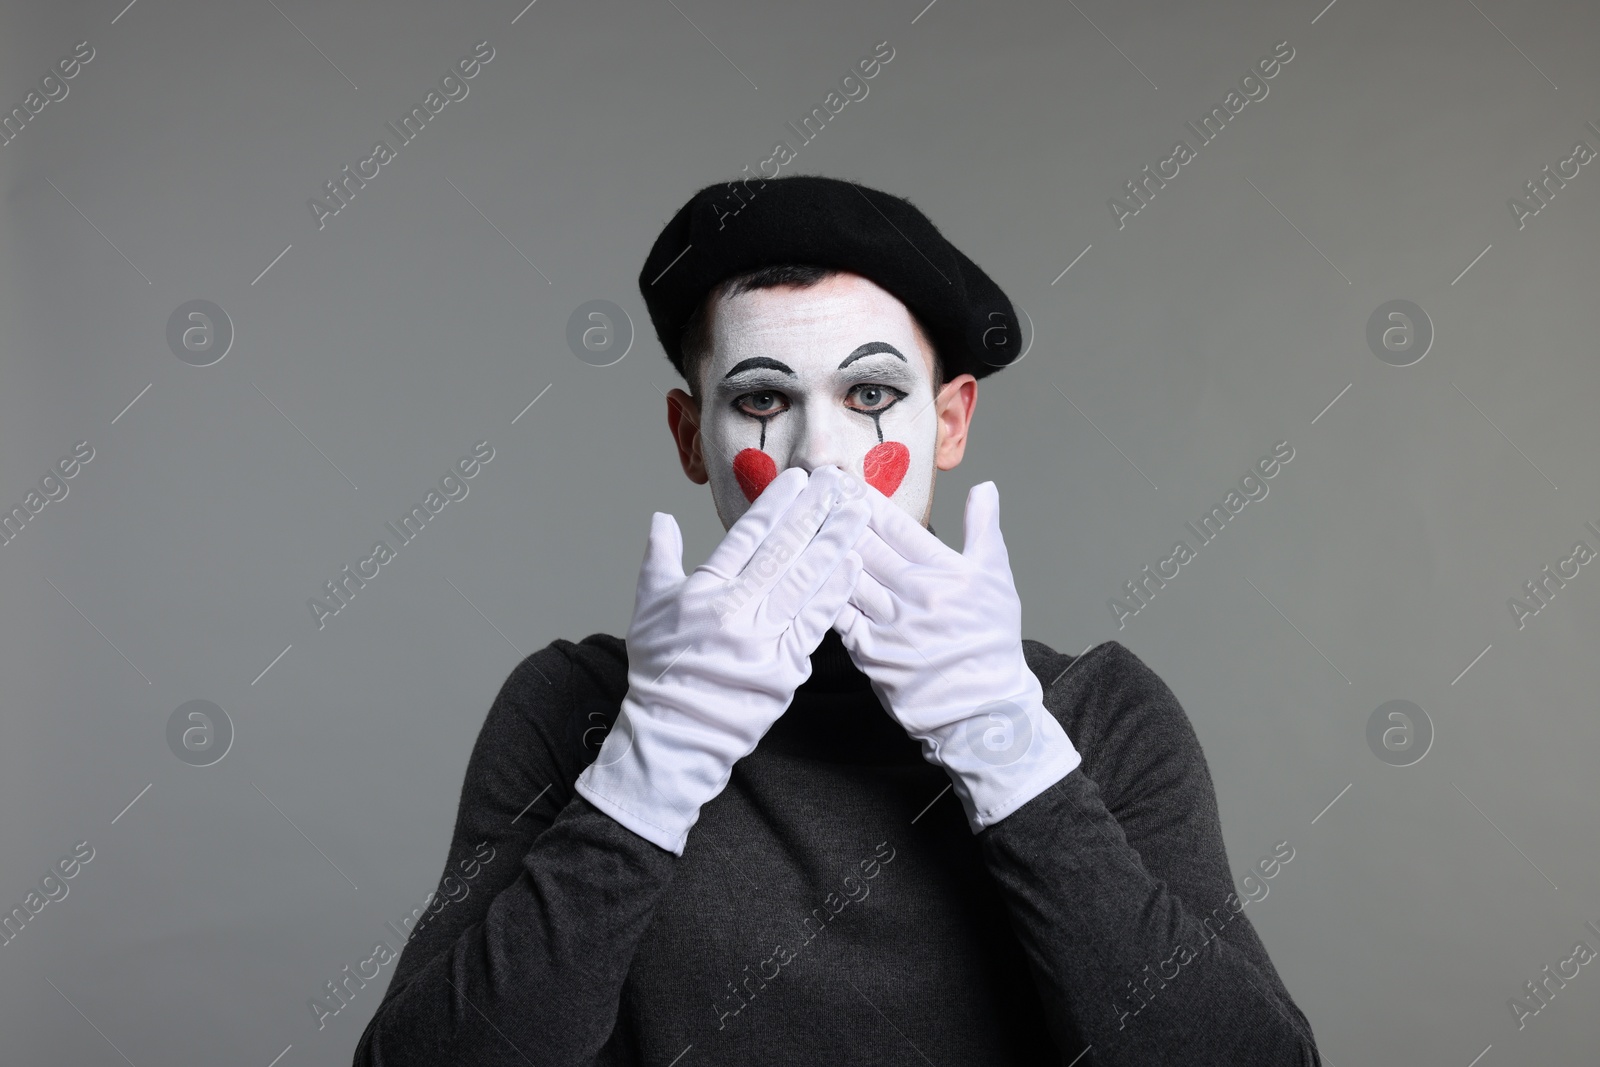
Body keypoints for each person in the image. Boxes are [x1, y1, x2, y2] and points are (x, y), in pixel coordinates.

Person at [352, 175, 1321, 1065]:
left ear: (948, 422)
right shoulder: (572, 708)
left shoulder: (1097, 711)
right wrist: (654, 762)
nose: (822, 455)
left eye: (870, 393)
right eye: (763, 396)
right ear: (693, 436)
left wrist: (1009, 747)